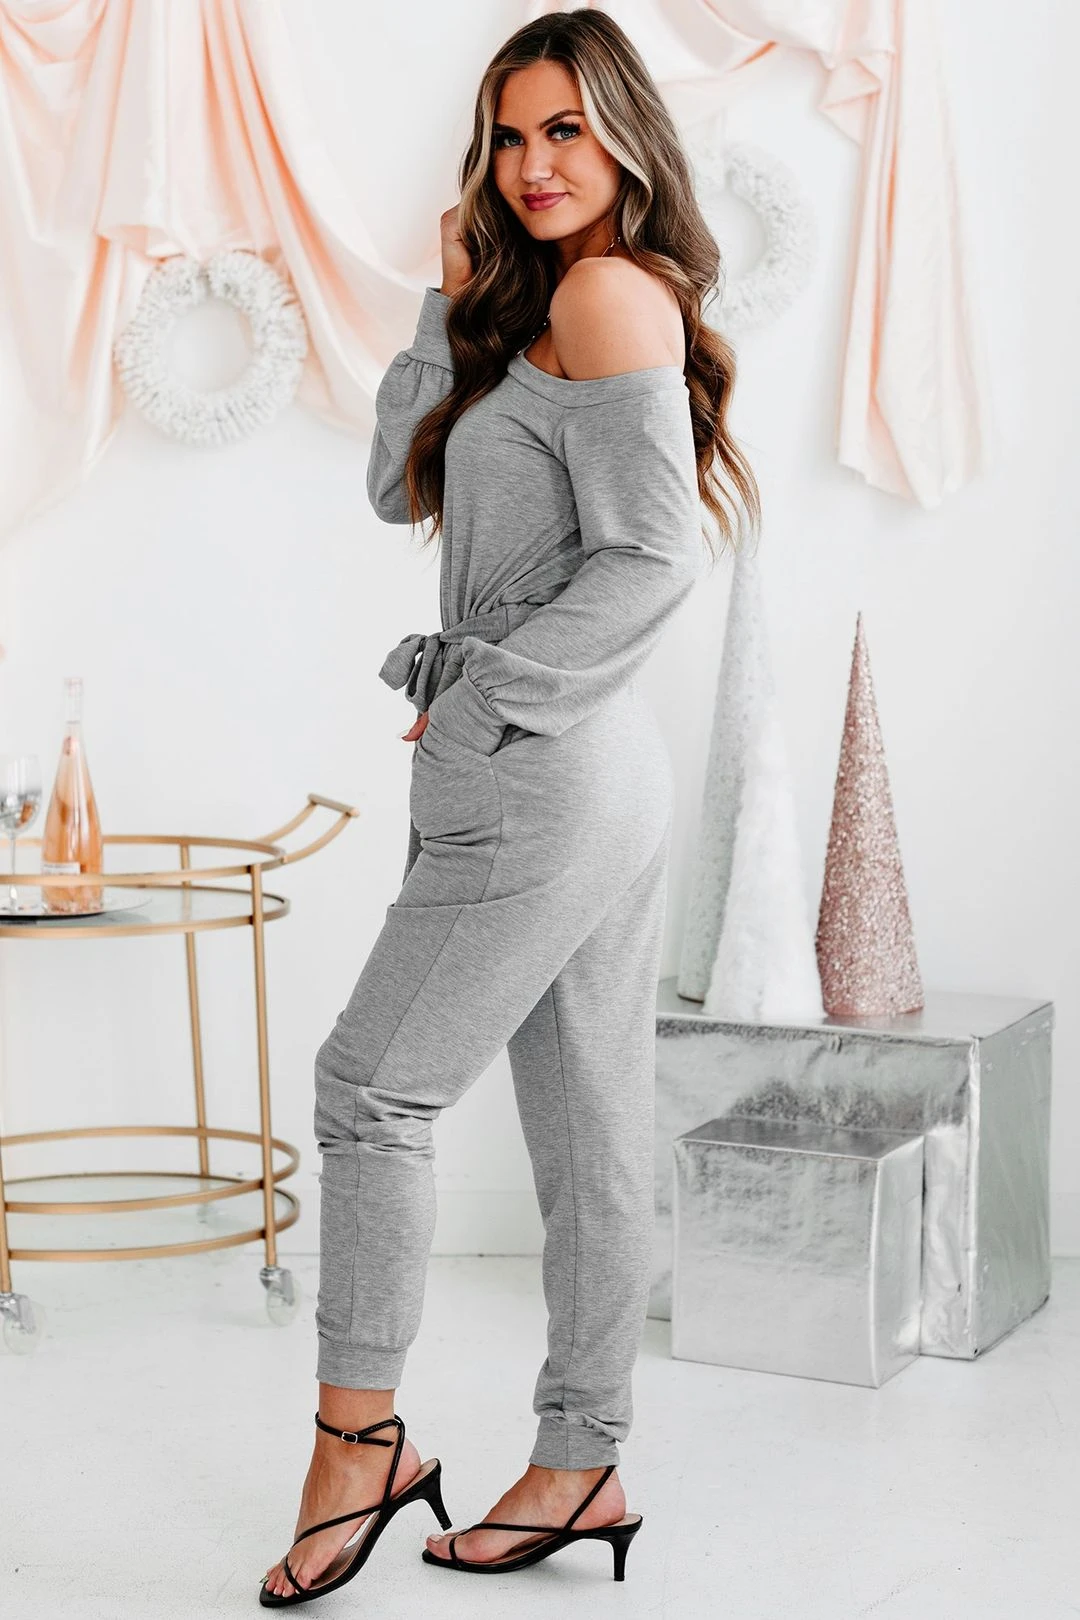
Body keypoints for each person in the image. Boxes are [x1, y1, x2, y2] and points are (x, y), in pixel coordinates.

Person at [261, 7, 759, 1606]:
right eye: (511, 134)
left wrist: (488, 698)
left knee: (370, 1091)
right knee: (590, 1125)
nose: (536, 163)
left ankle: (360, 1447)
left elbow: (655, 557)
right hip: (581, 767)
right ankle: (581, 1461)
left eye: (566, 129)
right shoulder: (536, 299)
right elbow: (393, 487)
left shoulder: (610, 295)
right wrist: (447, 296)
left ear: (625, 136)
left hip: (542, 769)